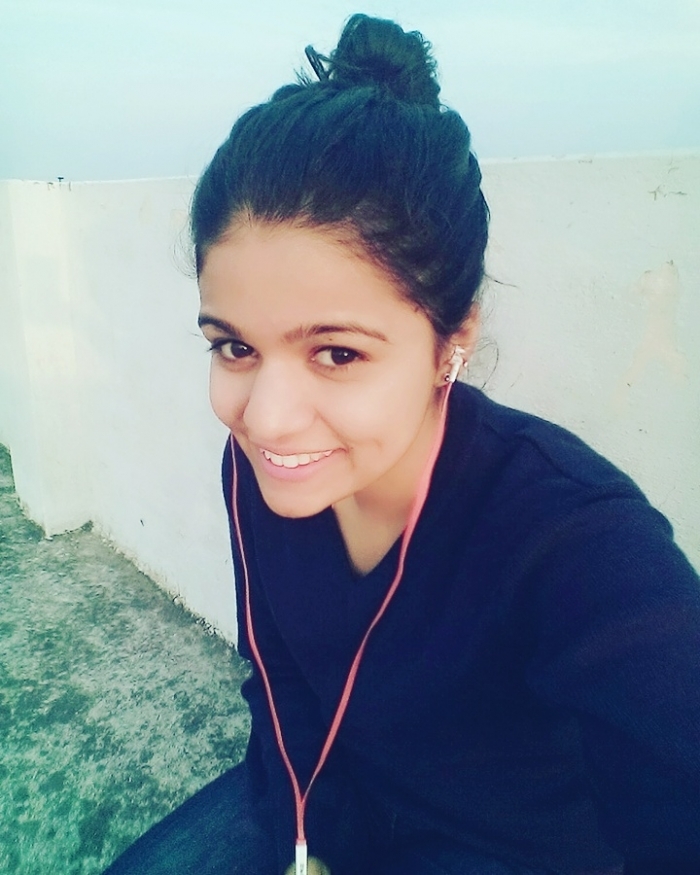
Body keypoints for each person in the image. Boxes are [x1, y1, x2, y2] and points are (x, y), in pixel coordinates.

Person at [103, 13, 700, 875]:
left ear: (452, 340)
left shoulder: (574, 537)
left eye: (337, 353)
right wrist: (303, 837)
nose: (265, 419)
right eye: (233, 346)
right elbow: (277, 676)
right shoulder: (259, 469)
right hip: (312, 800)